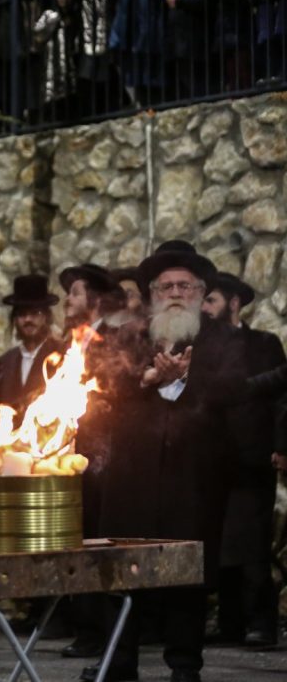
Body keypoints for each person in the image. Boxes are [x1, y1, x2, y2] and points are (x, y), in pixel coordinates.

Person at [82, 240, 245, 682]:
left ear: (200, 293)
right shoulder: (129, 337)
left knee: (187, 575)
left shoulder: (225, 340)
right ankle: (119, 661)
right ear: (153, 293)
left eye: (185, 286)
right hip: (130, 476)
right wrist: (147, 378)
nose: (175, 293)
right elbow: (102, 386)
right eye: (166, 286)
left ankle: (185, 665)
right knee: (122, 570)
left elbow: (234, 389)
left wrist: (188, 378)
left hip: (194, 475)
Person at [203, 272, 286, 648]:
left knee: (253, 544)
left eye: (212, 300)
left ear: (234, 303)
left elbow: (281, 397)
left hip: (253, 455)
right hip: (215, 459)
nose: (206, 309)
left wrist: (282, 446)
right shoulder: (203, 347)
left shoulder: (264, 344)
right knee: (222, 544)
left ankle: (261, 622)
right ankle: (230, 621)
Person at [0, 274, 64, 414]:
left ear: (46, 317)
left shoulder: (63, 356)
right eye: (22, 314)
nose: (28, 319)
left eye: (35, 313)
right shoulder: (5, 362)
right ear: (15, 319)